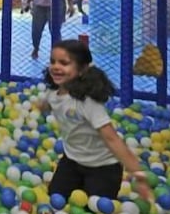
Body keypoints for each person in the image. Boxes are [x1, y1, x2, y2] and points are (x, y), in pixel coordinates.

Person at [36, 39, 153, 202]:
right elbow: (50, 103)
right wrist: (42, 107)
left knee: (95, 209)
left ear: (82, 69)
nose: (55, 67)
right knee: (56, 200)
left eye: (64, 63)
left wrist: (138, 175)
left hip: (103, 167)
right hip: (72, 161)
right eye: (52, 61)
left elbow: (112, 138)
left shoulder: (86, 101)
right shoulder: (53, 93)